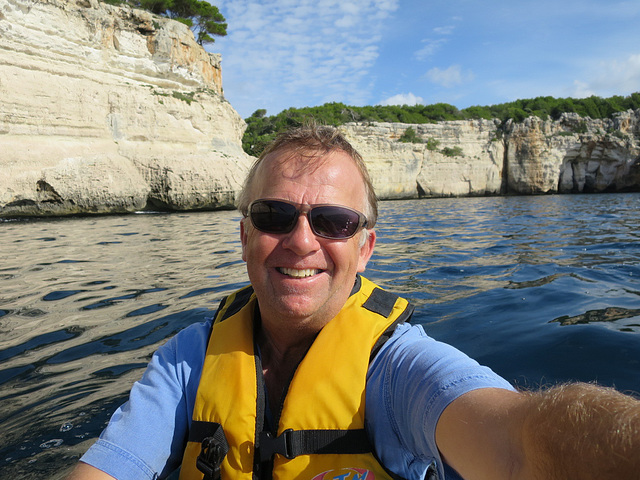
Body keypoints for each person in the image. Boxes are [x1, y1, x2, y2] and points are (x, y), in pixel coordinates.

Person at [68, 124, 640, 480]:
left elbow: (518, 445)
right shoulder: (185, 362)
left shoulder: (396, 371)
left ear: (365, 249)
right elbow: (111, 467)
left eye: (334, 222)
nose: (301, 241)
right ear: (244, 236)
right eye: (273, 216)